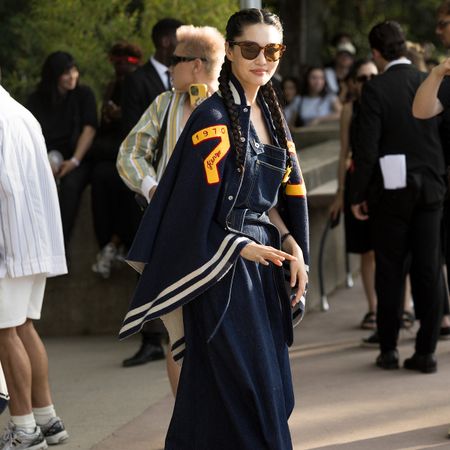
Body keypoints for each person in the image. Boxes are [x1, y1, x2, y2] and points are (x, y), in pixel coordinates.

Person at [119, 8, 309, 449]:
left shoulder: (272, 116)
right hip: (223, 279)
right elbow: (189, 213)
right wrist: (242, 247)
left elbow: (272, 203)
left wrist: (290, 241)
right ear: (229, 50)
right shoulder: (212, 119)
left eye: (273, 50)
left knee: (263, 395)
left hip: (262, 275)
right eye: (250, 49)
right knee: (245, 400)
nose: (263, 59)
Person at [117, 24, 226, 393]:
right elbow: (129, 153)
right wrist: (151, 188)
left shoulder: (231, 104)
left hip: (222, 240)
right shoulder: (165, 104)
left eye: (175, 60)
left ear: (196, 65)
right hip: (173, 236)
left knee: (219, 333)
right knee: (177, 334)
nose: (169, 67)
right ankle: (187, 426)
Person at [351, 21, 446, 374]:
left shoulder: (375, 89)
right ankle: (426, 351)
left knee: (390, 269)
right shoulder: (429, 81)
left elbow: (366, 148)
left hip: (391, 191)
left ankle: (388, 348)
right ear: (405, 47)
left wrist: (358, 193)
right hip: (432, 187)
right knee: (429, 268)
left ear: (376, 53)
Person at [0, 82, 69, 449]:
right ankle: (47, 419)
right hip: (33, 238)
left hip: (8, 244)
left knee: (6, 333)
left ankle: (24, 429)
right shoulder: (21, 113)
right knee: (24, 327)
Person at [120, 18, 183, 368]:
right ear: (164, 41)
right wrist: (149, 184)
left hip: (189, 203)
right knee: (150, 269)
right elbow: (131, 142)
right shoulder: (143, 86)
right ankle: (150, 338)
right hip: (150, 195)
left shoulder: (207, 97)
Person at [27, 51, 97, 250]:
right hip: (44, 158)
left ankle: (60, 245)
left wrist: (74, 160)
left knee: (71, 187)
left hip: (78, 159)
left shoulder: (84, 95)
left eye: (74, 70)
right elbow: (31, 134)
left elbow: (89, 129)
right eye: (66, 72)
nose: (72, 76)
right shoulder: (37, 99)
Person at [330, 59, 378, 331]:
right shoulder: (350, 109)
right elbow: (343, 153)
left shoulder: (387, 101)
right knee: (366, 252)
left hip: (385, 183)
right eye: (362, 78)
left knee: (395, 249)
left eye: (373, 77)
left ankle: (402, 307)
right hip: (357, 181)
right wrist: (340, 192)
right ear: (353, 83)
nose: (368, 83)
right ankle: (373, 308)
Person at [89, 42, 143, 279]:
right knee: (99, 176)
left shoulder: (141, 83)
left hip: (136, 154)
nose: (120, 67)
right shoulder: (113, 86)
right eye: (116, 62)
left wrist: (122, 115)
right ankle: (108, 245)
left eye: (126, 62)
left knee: (126, 183)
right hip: (114, 150)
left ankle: (116, 242)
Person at [413, 0, 450, 342]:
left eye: (444, 23)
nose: (439, 31)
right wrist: (437, 72)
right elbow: (421, 110)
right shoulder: (447, 73)